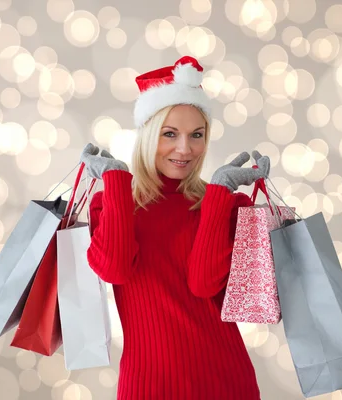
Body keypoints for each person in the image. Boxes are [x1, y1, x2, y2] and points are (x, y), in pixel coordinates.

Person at [81, 56, 269, 400]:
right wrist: (117, 179)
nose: (185, 149)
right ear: (149, 134)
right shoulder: (113, 204)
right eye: (170, 134)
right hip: (147, 386)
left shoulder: (224, 207)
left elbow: (202, 283)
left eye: (196, 135)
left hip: (226, 382)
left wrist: (220, 192)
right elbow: (115, 268)